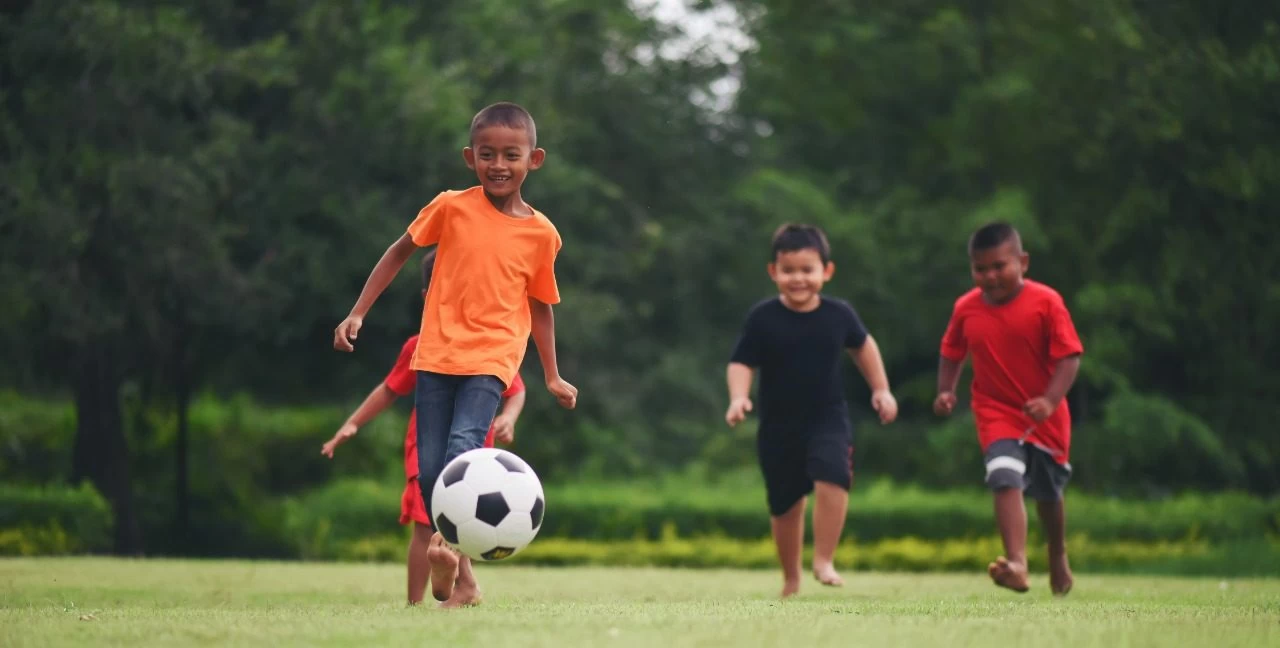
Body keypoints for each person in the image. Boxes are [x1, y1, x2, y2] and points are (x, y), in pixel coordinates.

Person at [332, 102, 578, 608]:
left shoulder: (541, 234)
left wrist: (551, 375)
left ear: (535, 159)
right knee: (428, 476)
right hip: (436, 356)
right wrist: (358, 312)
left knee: (462, 450)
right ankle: (465, 582)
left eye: (512, 154)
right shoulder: (451, 206)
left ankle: (447, 562)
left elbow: (542, 306)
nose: (499, 164)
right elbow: (400, 250)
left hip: (492, 359)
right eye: (487, 154)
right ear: (470, 157)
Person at [321, 250, 527, 606]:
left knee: (458, 519)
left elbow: (517, 390)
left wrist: (508, 417)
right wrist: (352, 423)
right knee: (424, 526)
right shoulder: (419, 347)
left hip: (476, 457)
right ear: (427, 298)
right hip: (426, 451)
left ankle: (463, 587)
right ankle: (417, 603)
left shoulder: (488, 346)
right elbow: (388, 390)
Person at [725, 223, 898, 598]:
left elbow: (864, 348)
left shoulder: (839, 314)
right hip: (777, 425)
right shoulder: (762, 317)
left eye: (808, 270)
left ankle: (823, 559)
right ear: (773, 272)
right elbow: (741, 362)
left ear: (826, 271)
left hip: (827, 418)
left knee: (833, 476)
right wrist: (739, 398)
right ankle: (791, 578)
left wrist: (882, 390)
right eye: (789, 271)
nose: (798, 279)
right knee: (785, 504)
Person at [933, 222, 1082, 596]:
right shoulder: (966, 308)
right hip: (994, 410)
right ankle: (1016, 563)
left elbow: (1069, 357)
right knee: (1003, 475)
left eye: (1000, 266)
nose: (990, 276)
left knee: (1048, 496)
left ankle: (1057, 554)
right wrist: (946, 391)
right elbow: (952, 352)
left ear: (1023, 262)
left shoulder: (1047, 302)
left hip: (1044, 415)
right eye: (980, 269)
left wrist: (1049, 400)